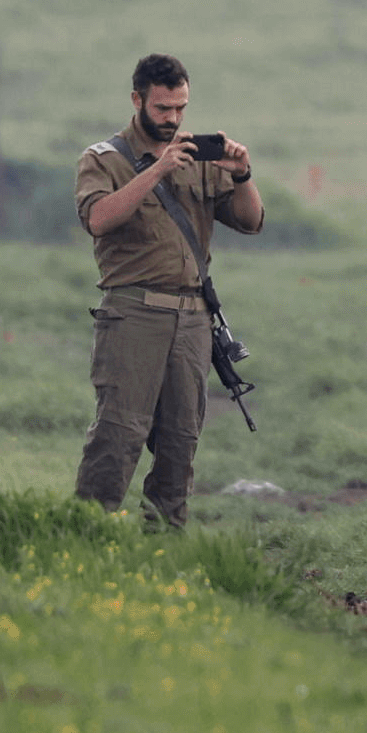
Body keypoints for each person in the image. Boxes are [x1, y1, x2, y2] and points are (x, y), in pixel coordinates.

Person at [72, 53, 262, 528]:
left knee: (181, 440)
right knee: (119, 434)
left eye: (180, 108)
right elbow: (97, 219)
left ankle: (164, 547)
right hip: (134, 312)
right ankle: (84, 537)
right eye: (162, 108)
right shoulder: (104, 159)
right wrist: (156, 170)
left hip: (193, 317)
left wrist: (241, 173)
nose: (173, 119)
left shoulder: (199, 159)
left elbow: (251, 221)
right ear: (137, 100)